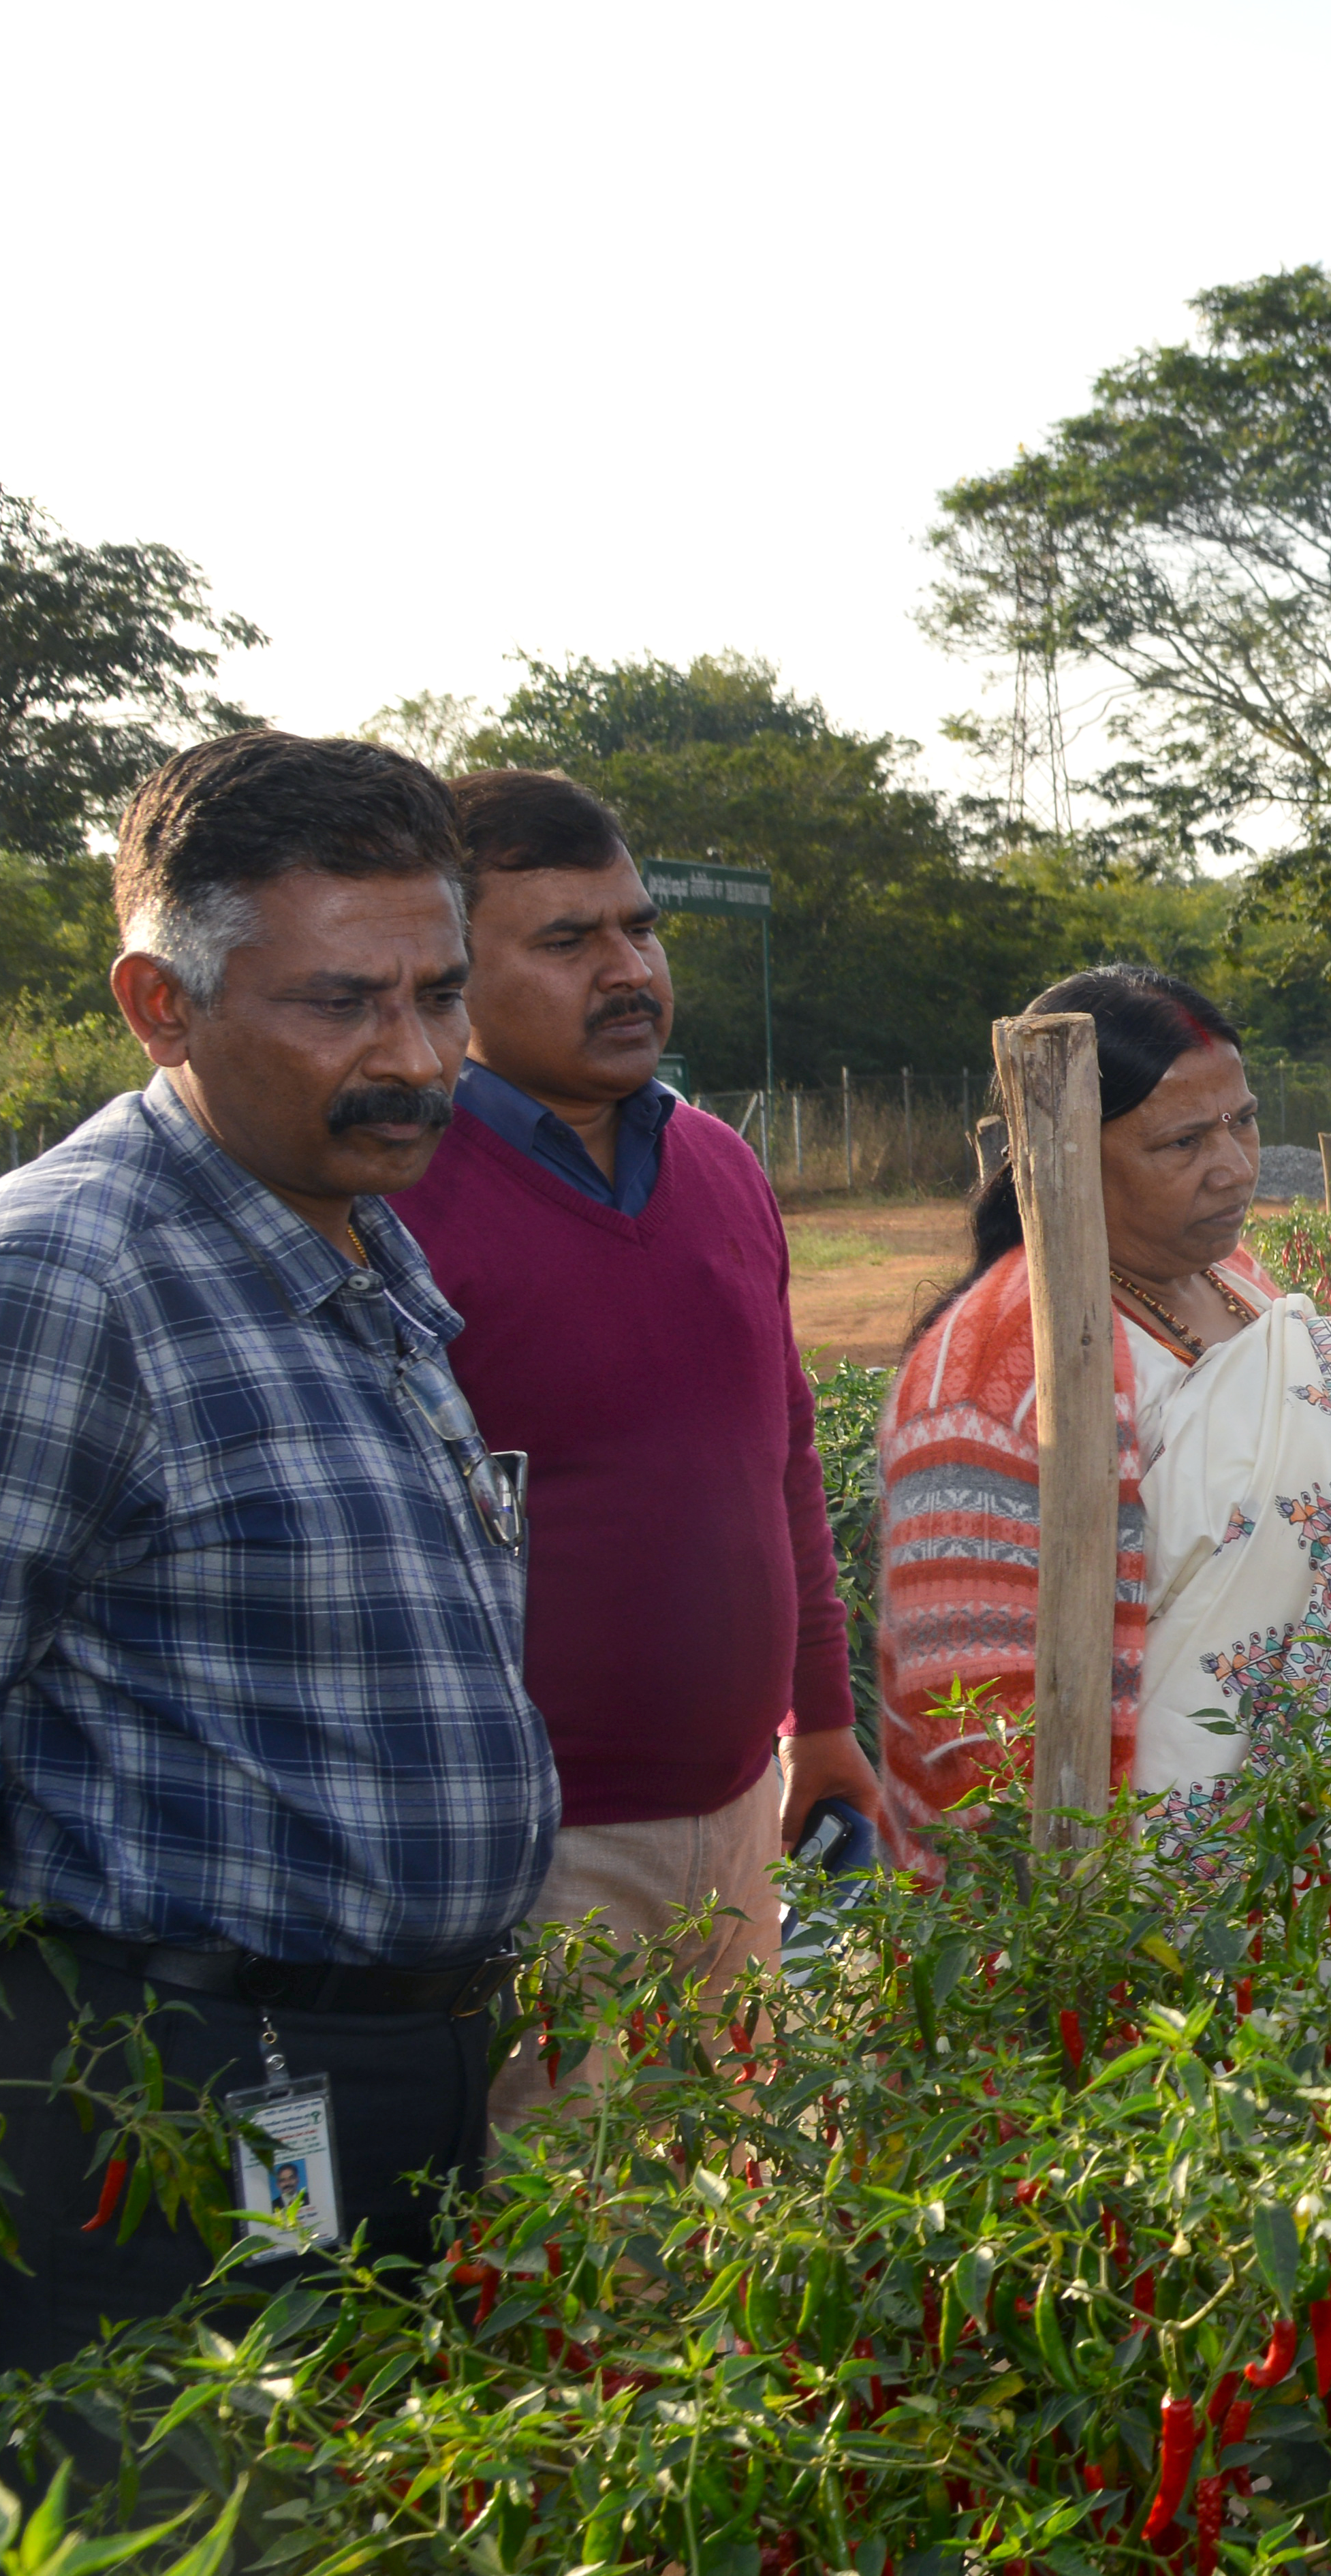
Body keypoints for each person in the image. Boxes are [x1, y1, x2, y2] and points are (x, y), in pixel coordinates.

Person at [0, 730, 554, 2485]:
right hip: (161, 2104)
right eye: (342, 1003)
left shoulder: (347, 1234)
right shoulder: (56, 1283)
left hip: (373, 2071)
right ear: (159, 1004)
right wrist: (62, 2038)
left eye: (438, 994)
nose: (416, 1056)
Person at [405, 770, 879, 2107]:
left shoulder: (720, 1165)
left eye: (640, 928)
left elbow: (782, 1454)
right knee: (561, 2206)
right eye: (567, 940)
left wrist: (823, 1720)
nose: (626, 971)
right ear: (449, 974)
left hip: (738, 1812)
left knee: (736, 2189)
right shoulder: (402, 1200)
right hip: (531, 1853)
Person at [871, 967, 1331, 1847]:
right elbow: (978, 1737)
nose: (1234, 1167)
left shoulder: (1234, 1280)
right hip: (1157, 1892)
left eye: (1243, 1121)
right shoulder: (992, 1373)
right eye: (1183, 1143)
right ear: (1068, 1151)